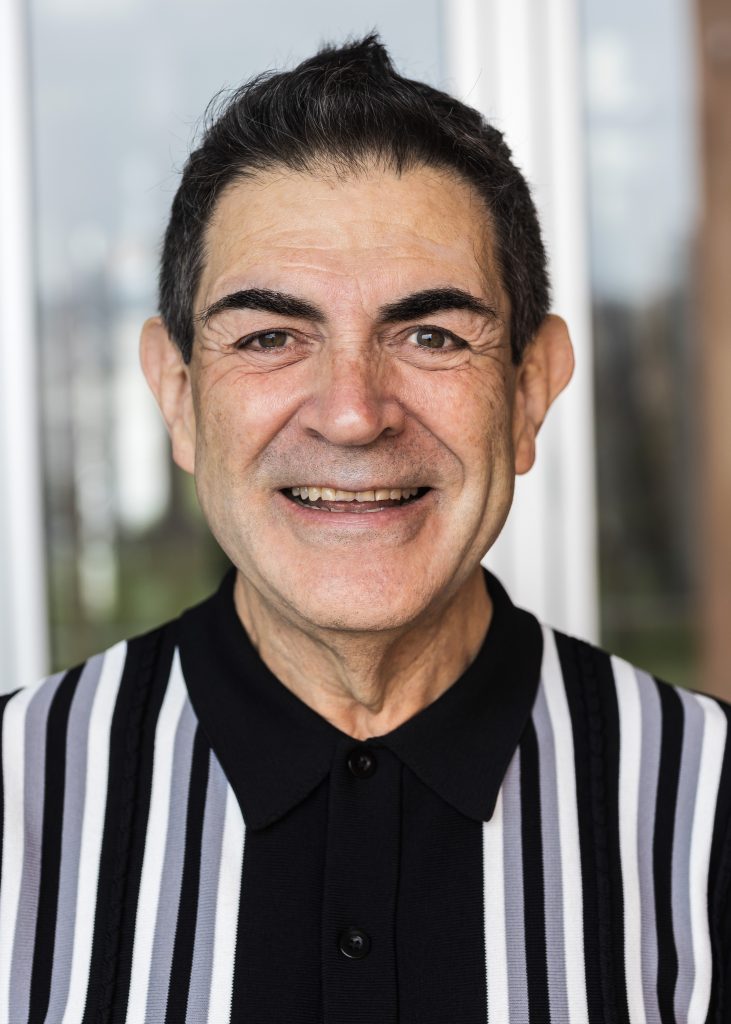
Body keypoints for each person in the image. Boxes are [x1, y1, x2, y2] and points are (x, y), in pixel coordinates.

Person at [0, 34, 728, 1024]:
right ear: (178, 397)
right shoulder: (15, 795)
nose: (351, 412)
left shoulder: (710, 804)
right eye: (269, 337)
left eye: (429, 335)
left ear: (527, 391)